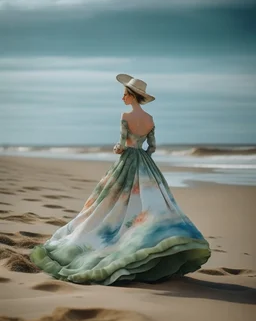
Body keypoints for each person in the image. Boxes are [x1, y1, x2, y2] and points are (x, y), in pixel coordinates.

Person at [30, 74, 211, 285]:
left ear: (133, 96)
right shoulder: (150, 119)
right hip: (145, 164)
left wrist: (121, 150)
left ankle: (111, 240)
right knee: (150, 204)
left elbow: (121, 144)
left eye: (125, 94)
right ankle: (147, 244)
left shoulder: (125, 116)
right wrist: (143, 158)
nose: (123, 98)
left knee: (109, 202)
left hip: (127, 161)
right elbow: (152, 147)